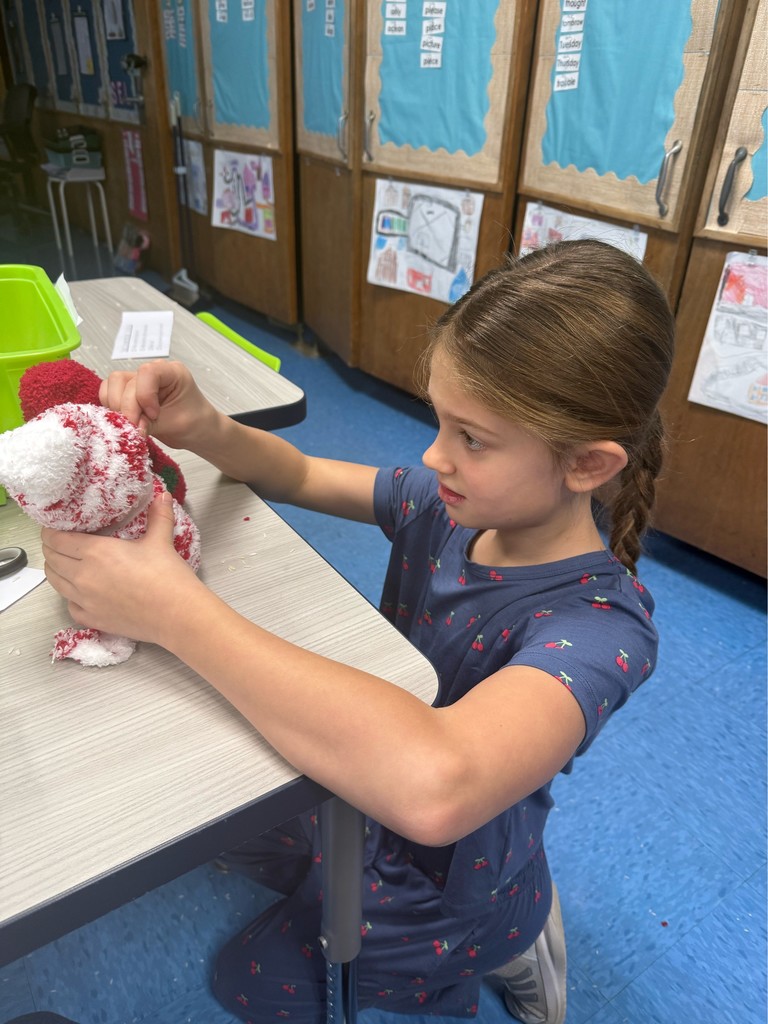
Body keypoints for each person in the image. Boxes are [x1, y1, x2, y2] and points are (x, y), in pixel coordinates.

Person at [41, 239, 675, 1024]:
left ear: (587, 466)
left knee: (251, 981)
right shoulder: (450, 503)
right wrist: (204, 425)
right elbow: (298, 474)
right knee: (232, 811)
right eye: (439, 420)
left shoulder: (603, 629)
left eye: (471, 438)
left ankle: (508, 936)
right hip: (380, 782)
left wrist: (172, 610)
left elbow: (439, 787)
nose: (432, 454)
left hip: (449, 868)